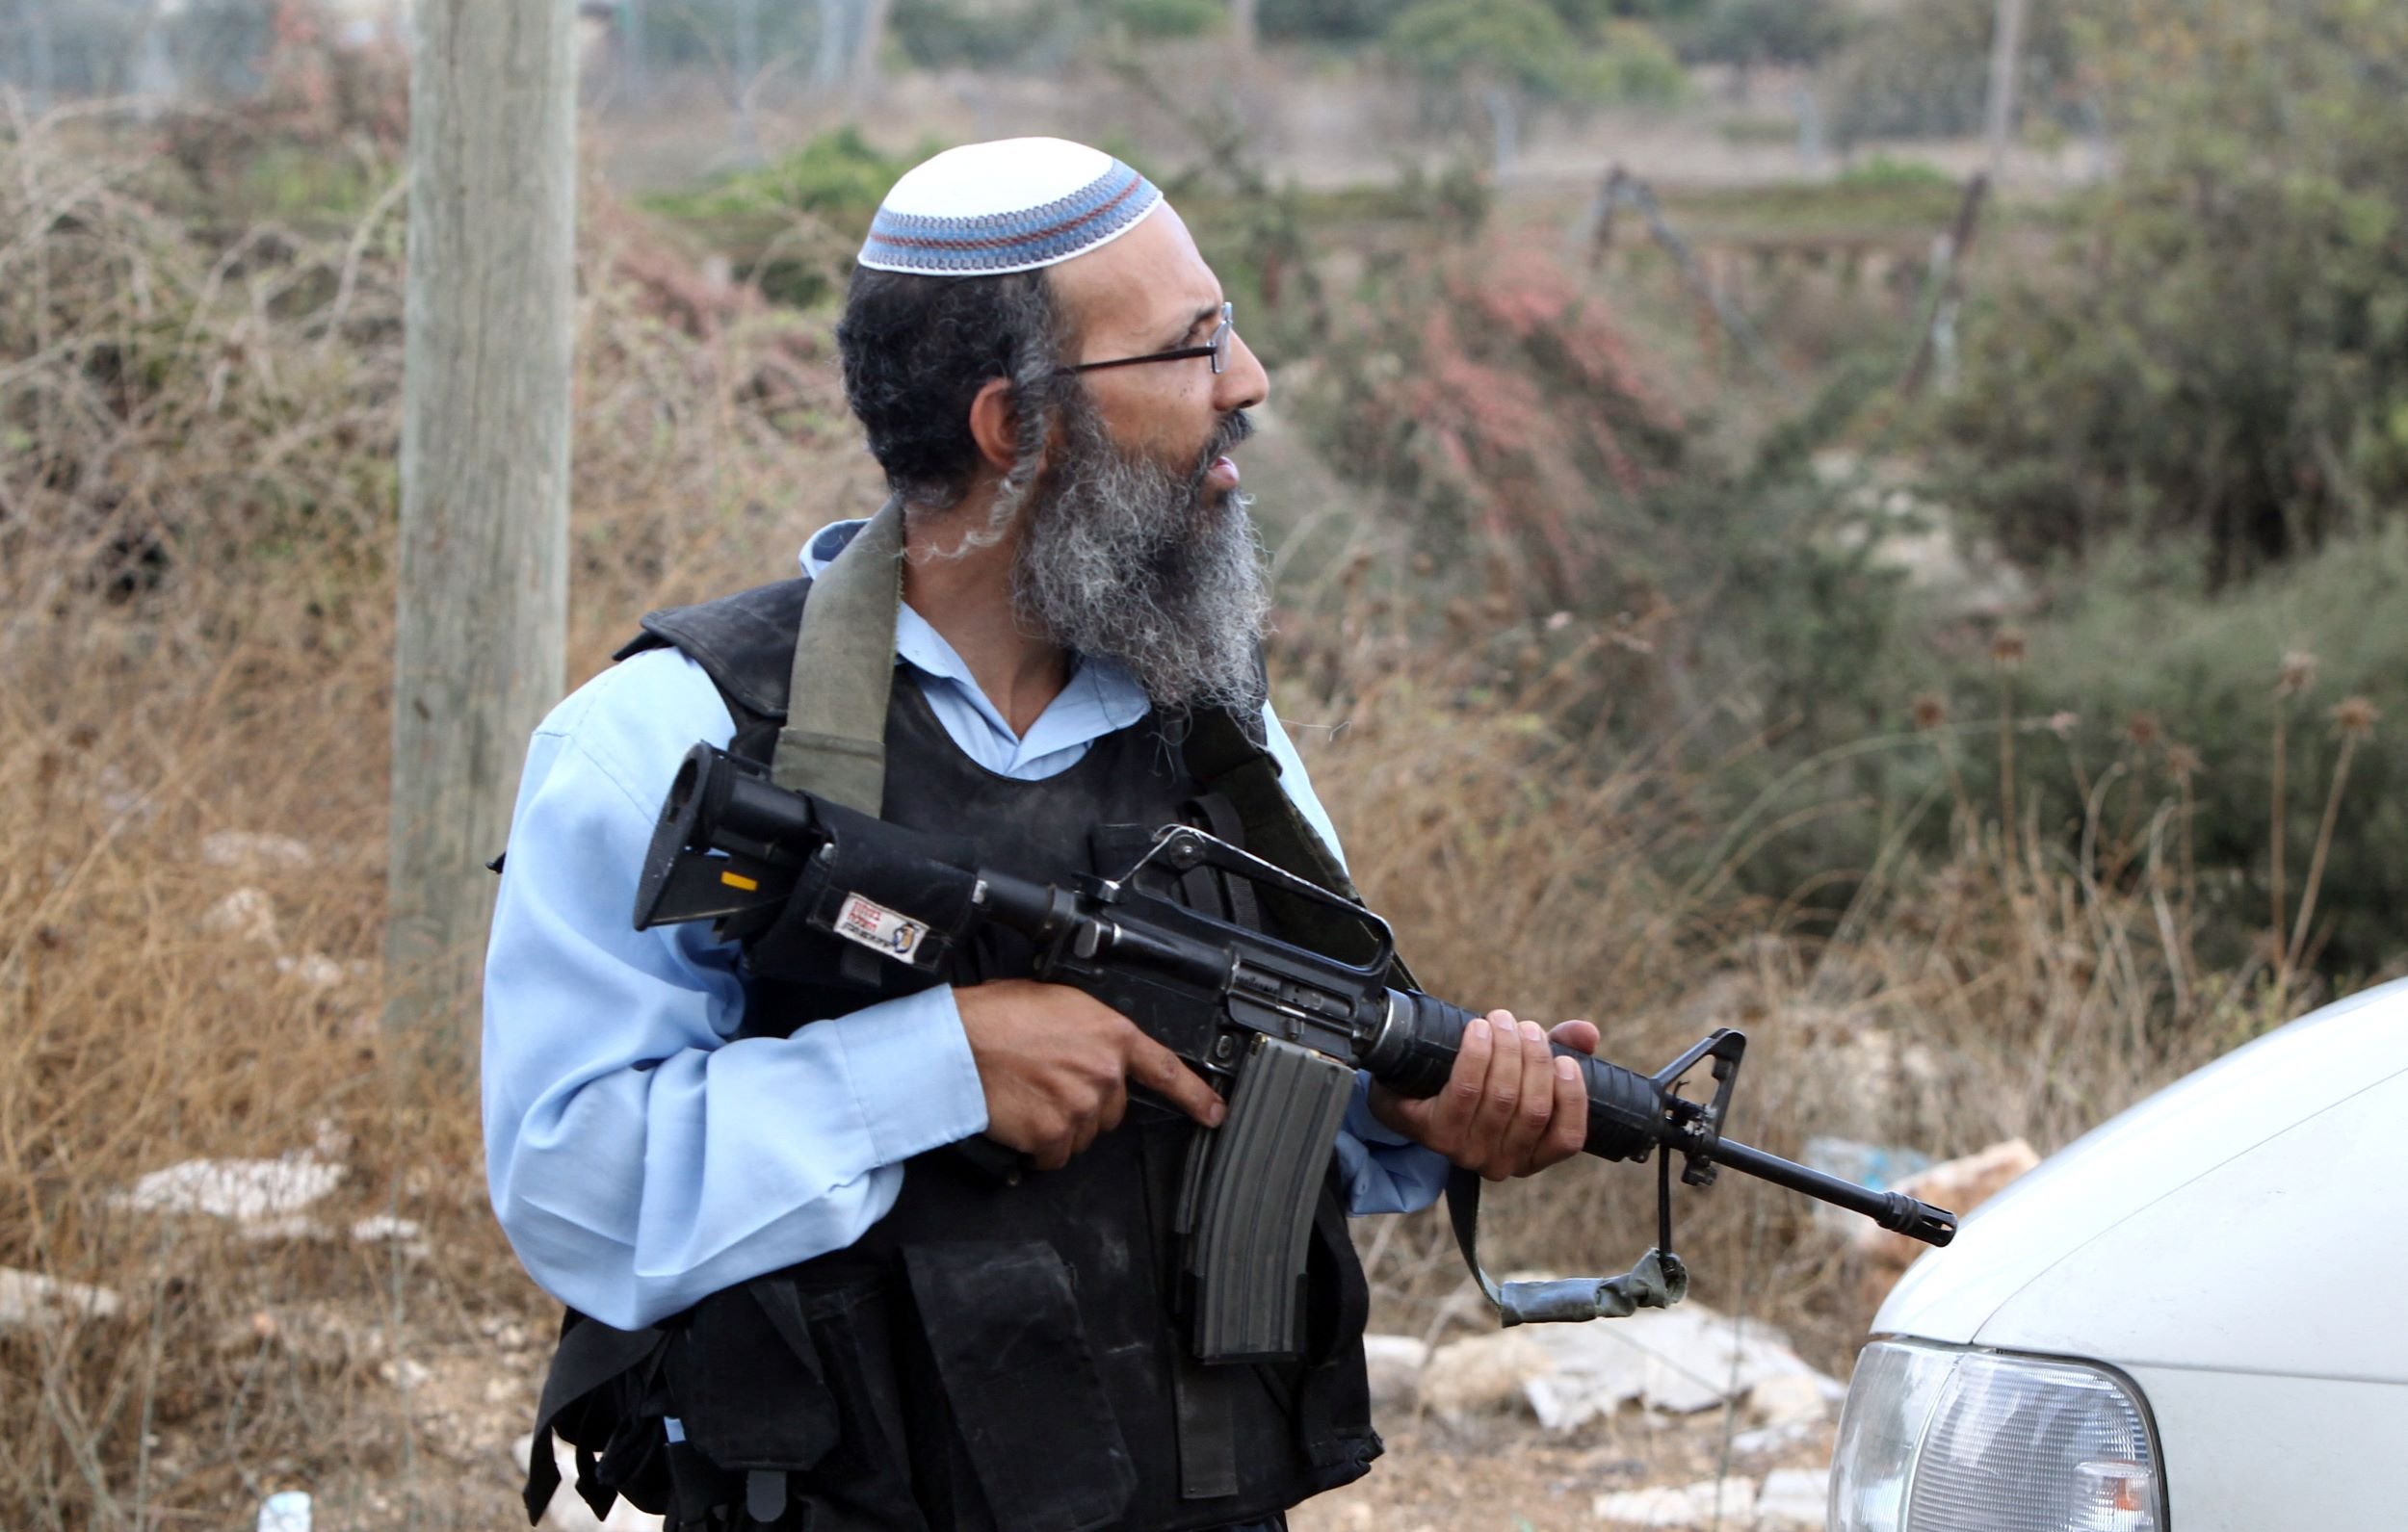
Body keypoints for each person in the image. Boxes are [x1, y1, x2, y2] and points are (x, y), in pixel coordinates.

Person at [484, 138, 1602, 1532]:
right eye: (1192, 350)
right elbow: (573, 1190)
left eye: (1230, 332)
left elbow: (1264, 1087)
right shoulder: (661, 740)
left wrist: (1414, 1110)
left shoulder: (1217, 733)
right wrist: (935, 1067)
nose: (1245, 385)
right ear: (1017, 427)